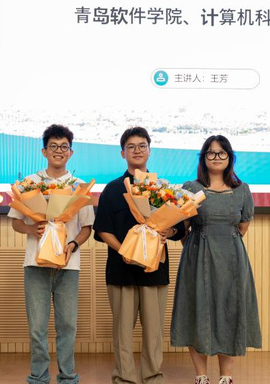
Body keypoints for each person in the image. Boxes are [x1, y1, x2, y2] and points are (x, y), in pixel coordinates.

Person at [93, 127, 185, 384]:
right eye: (131, 146)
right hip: (121, 270)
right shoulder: (112, 189)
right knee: (122, 332)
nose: (137, 150)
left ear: (149, 150)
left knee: (154, 333)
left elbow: (179, 229)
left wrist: (169, 230)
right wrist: (125, 250)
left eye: (142, 145)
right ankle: (124, 378)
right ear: (122, 153)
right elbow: (102, 229)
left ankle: (152, 377)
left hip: (155, 271)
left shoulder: (163, 189)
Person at [170, 135, 261, 384]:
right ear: (203, 158)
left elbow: (242, 227)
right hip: (197, 257)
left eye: (222, 153)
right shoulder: (190, 188)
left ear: (230, 157)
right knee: (196, 310)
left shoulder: (242, 190)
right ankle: (201, 376)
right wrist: (199, 246)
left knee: (229, 311)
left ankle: (226, 377)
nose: (216, 157)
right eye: (211, 153)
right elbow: (183, 228)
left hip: (232, 260)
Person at [8, 124, 94, 384]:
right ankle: (38, 377)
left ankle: (68, 377)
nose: (59, 151)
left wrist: (72, 245)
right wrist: (31, 229)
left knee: (67, 326)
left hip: (68, 265)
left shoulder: (79, 187)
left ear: (71, 152)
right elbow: (16, 222)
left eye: (64, 146)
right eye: (53, 146)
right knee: (37, 327)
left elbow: (86, 228)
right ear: (44, 151)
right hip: (35, 264)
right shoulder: (29, 184)